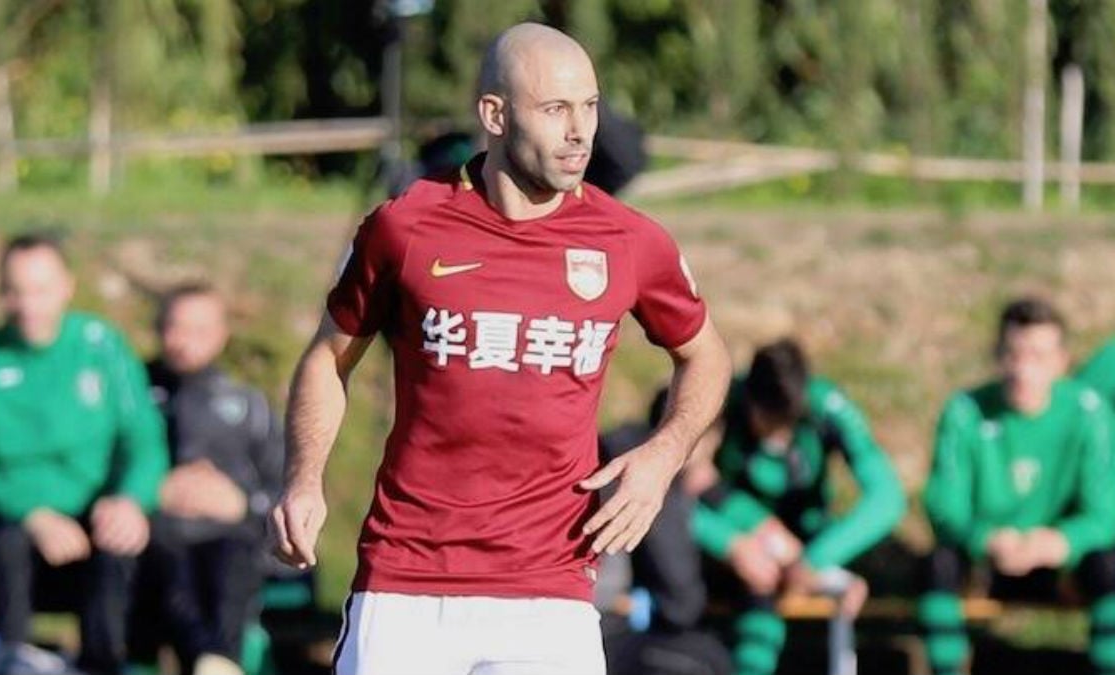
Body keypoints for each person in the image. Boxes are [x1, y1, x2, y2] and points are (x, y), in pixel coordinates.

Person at [270, 22, 731, 675]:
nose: (580, 131)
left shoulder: (629, 240)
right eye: (555, 109)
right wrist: (304, 478)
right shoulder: (405, 227)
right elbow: (328, 355)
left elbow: (706, 353)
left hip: (552, 592)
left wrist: (663, 454)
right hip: (409, 582)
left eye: (589, 107)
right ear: (494, 113)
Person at [0, 233, 169, 675]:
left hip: (94, 516)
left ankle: (105, 664)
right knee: (4, 542)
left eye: (40, 289)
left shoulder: (101, 344)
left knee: (124, 539)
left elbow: (143, 438)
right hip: (14, 524)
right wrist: (33, 513)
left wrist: (131, 498)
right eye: (15, 291)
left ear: (67, 286)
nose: (28, 305)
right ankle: (9, 657)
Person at [920, 297, 1115, 675]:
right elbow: (942, 506)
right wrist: (985, 538)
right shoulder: (964, 412)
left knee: (1109, 565)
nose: (1023, 371)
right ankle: (946, 666)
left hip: (1059, 564)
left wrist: (1063, 542)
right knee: (938, 563)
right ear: (997, 355)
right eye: (1013, 355)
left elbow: (1106, 511)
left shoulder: (1089, 413)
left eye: (1038, 357)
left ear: (1062, 362)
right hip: (987, 562)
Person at [692, 338, 905, 675]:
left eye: (787, 425)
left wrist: (815, 559)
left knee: (848, 591)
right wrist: (731, 543)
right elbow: (669, 494)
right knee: (756, 583)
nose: (778, 439)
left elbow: (887, 499)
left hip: (804, 544)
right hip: (735, 540)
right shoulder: (719, 403)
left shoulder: (826, 406)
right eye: (769, 424)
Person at [132, 283, 284, 675]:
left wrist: (241, 502)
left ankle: (217, 661)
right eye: (175, 327)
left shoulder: (248, 405)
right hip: (155, 533)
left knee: (232, 560)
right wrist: (152, 490)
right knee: (168, 562)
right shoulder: (132, 395)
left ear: (221, 335)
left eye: (198, 330)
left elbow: (285, 488)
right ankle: (211, 659)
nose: (184, 342)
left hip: (229, 537)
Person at [602, 388, 731, 675]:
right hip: (602, 628)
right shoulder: (653, 483)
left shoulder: (611, 454)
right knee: (707, 659)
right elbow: (681, 601)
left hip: (553, 614)